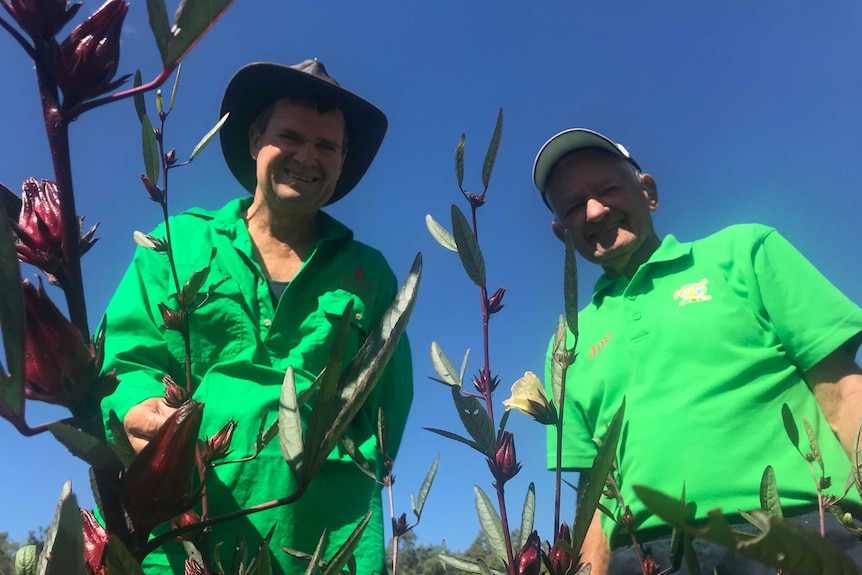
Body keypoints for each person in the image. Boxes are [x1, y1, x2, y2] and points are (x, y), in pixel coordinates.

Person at [100, 59, 413, 574]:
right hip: (173, 538)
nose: (306, 157)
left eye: (326, 146)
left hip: (320, 539)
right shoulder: (177, 241)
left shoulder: (371, 274)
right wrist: (136, 412)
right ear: (253, 140)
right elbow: (122, 362)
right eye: (290, 136)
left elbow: (386, 411)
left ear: (341, 161)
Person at [532, 128, 862, 574]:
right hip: (644, 557)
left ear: (647, 192)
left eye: (607, 189)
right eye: (572, 206)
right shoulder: (566, 342)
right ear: (560, 233)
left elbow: (843, 393)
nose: (594, 210)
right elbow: (594, 493)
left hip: (800, 528)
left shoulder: (745, 252)